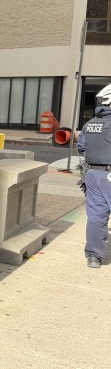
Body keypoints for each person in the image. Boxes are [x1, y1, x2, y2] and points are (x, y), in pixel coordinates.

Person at [77, 83, 111, 269]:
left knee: (96, 216)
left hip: (92, 175)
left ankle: (94, 257)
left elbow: (81, 149)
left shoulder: (90, 124)